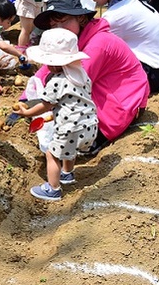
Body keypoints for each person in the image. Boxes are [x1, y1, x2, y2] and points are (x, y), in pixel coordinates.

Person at [32, 0, 149, 154]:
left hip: (119, 105)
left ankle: (93, 142)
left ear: (80, 18)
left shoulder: (98, 44)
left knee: (71, 138)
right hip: (104, 94)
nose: (58, 30)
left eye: (63, 22)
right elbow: (46, 69)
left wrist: (38, 107)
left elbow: (72, 86)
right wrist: (27, 98)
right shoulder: (73, 40)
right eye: (53, 25)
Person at [13, 29, 98, 201]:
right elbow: (74, 103)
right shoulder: (81, 75)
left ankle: (53, 189)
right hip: (91, 124)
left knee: (52, 154)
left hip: (71, 128)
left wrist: (27, 112)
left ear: (51, 63)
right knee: (70, 148)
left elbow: (46, 104)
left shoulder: (56, 81)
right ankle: (67, 174)